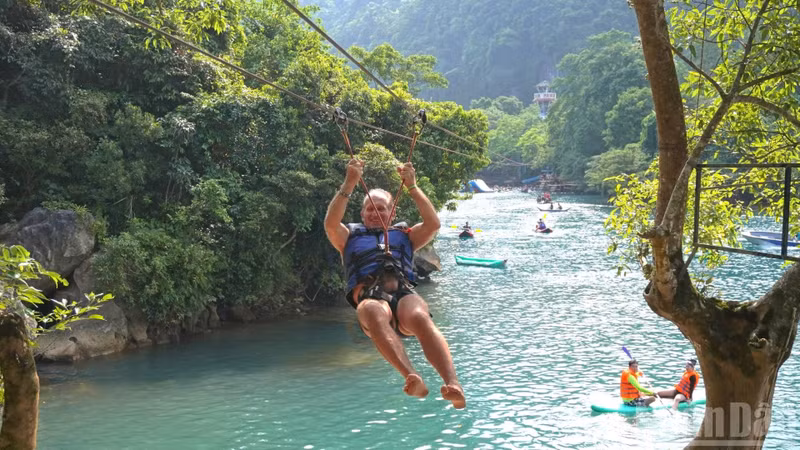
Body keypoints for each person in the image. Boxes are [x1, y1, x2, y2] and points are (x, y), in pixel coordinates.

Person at [324, 158, 466, 409]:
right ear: (362, 213)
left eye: (381, 208)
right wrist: (350, 182)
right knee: (372, 310)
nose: (375, 213)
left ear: (392, 213)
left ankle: (452, 384)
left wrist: (412, 186)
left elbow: (433, 224)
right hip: (371, 299)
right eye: (369, 209)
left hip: (402, 297)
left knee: (420, 315)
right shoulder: (348, 237)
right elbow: (331, 224)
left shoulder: (405, 237)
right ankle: (411, 376)